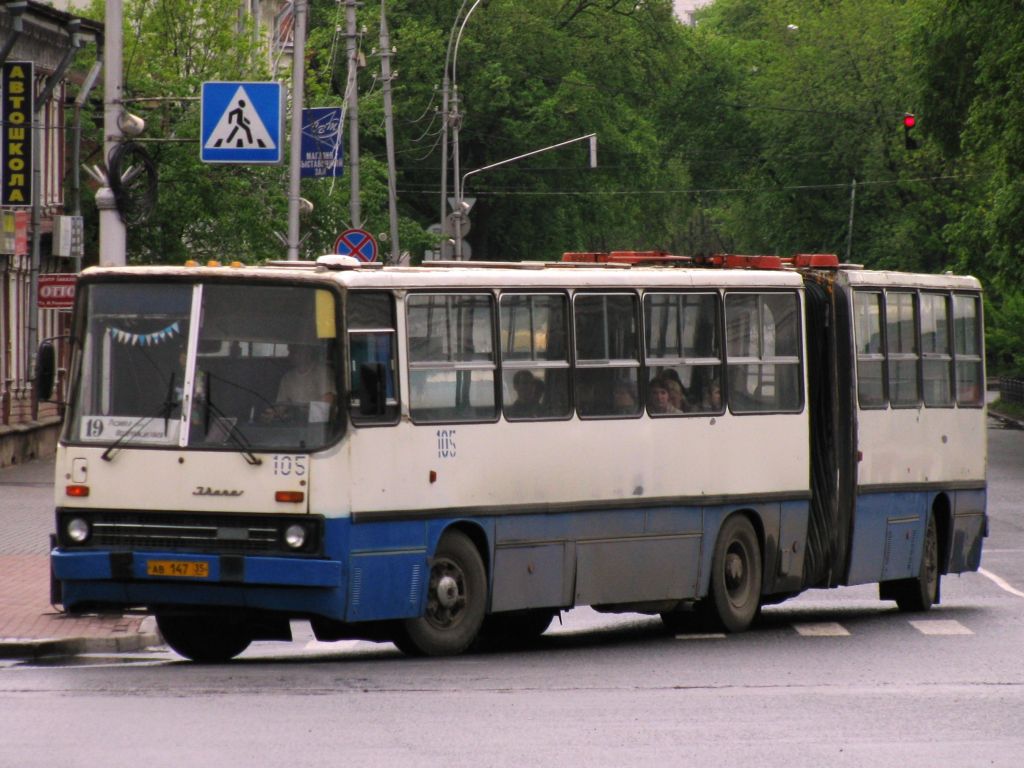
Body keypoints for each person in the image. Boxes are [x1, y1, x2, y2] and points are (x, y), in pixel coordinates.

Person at [264, 345, 336, 422]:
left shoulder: (322, 372)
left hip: (319, 427)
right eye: (290, 352)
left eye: (293, 352)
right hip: (295, 425)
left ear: (307, 353)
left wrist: (307, 414)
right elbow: (281, 405)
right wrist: (272, 414)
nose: (289, 356)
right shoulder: (287, 378)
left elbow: (328, 401)